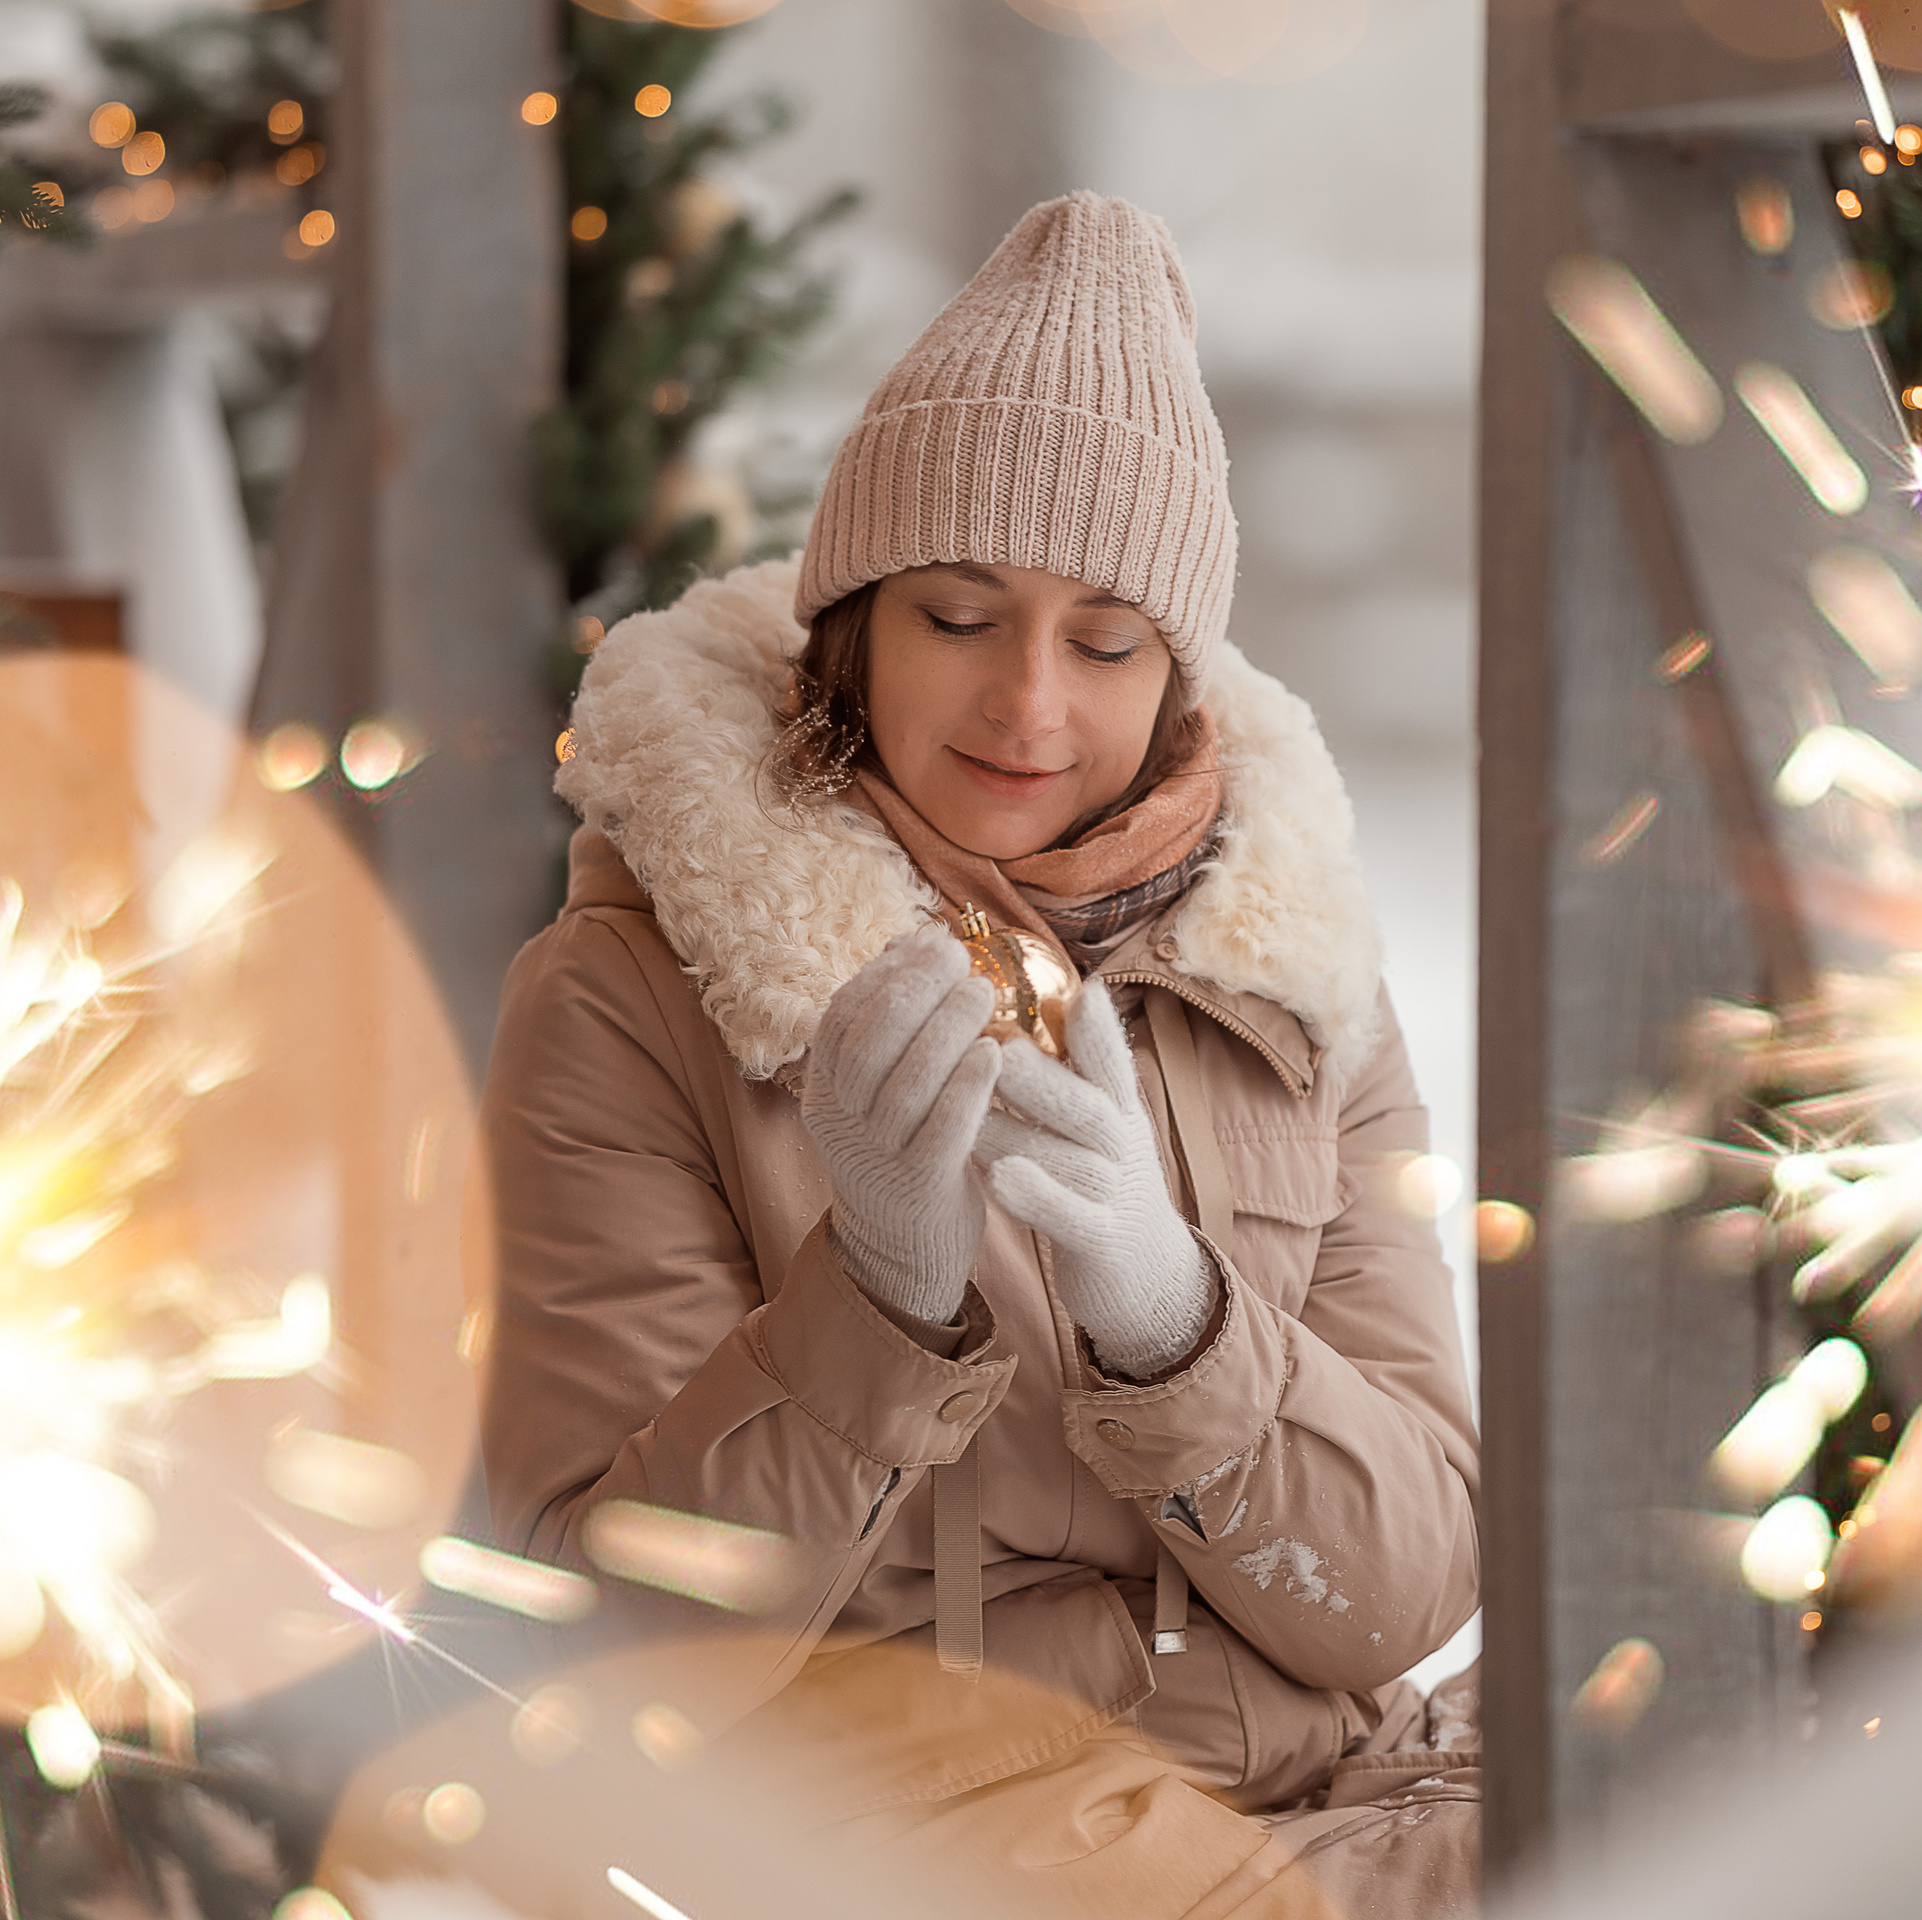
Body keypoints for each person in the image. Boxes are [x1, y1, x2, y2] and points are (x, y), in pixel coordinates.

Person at [480, 191, 1480, 1917]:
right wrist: (875, 1301)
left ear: (1180, 679)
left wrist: (1176, 1324)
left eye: (1104, 642)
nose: (1028, 705)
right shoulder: (626, 997)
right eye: (957, 614)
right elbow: (610, 1639)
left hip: (1335, 1792)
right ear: (850, 630)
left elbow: (1400, 1595)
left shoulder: (1292, 984)